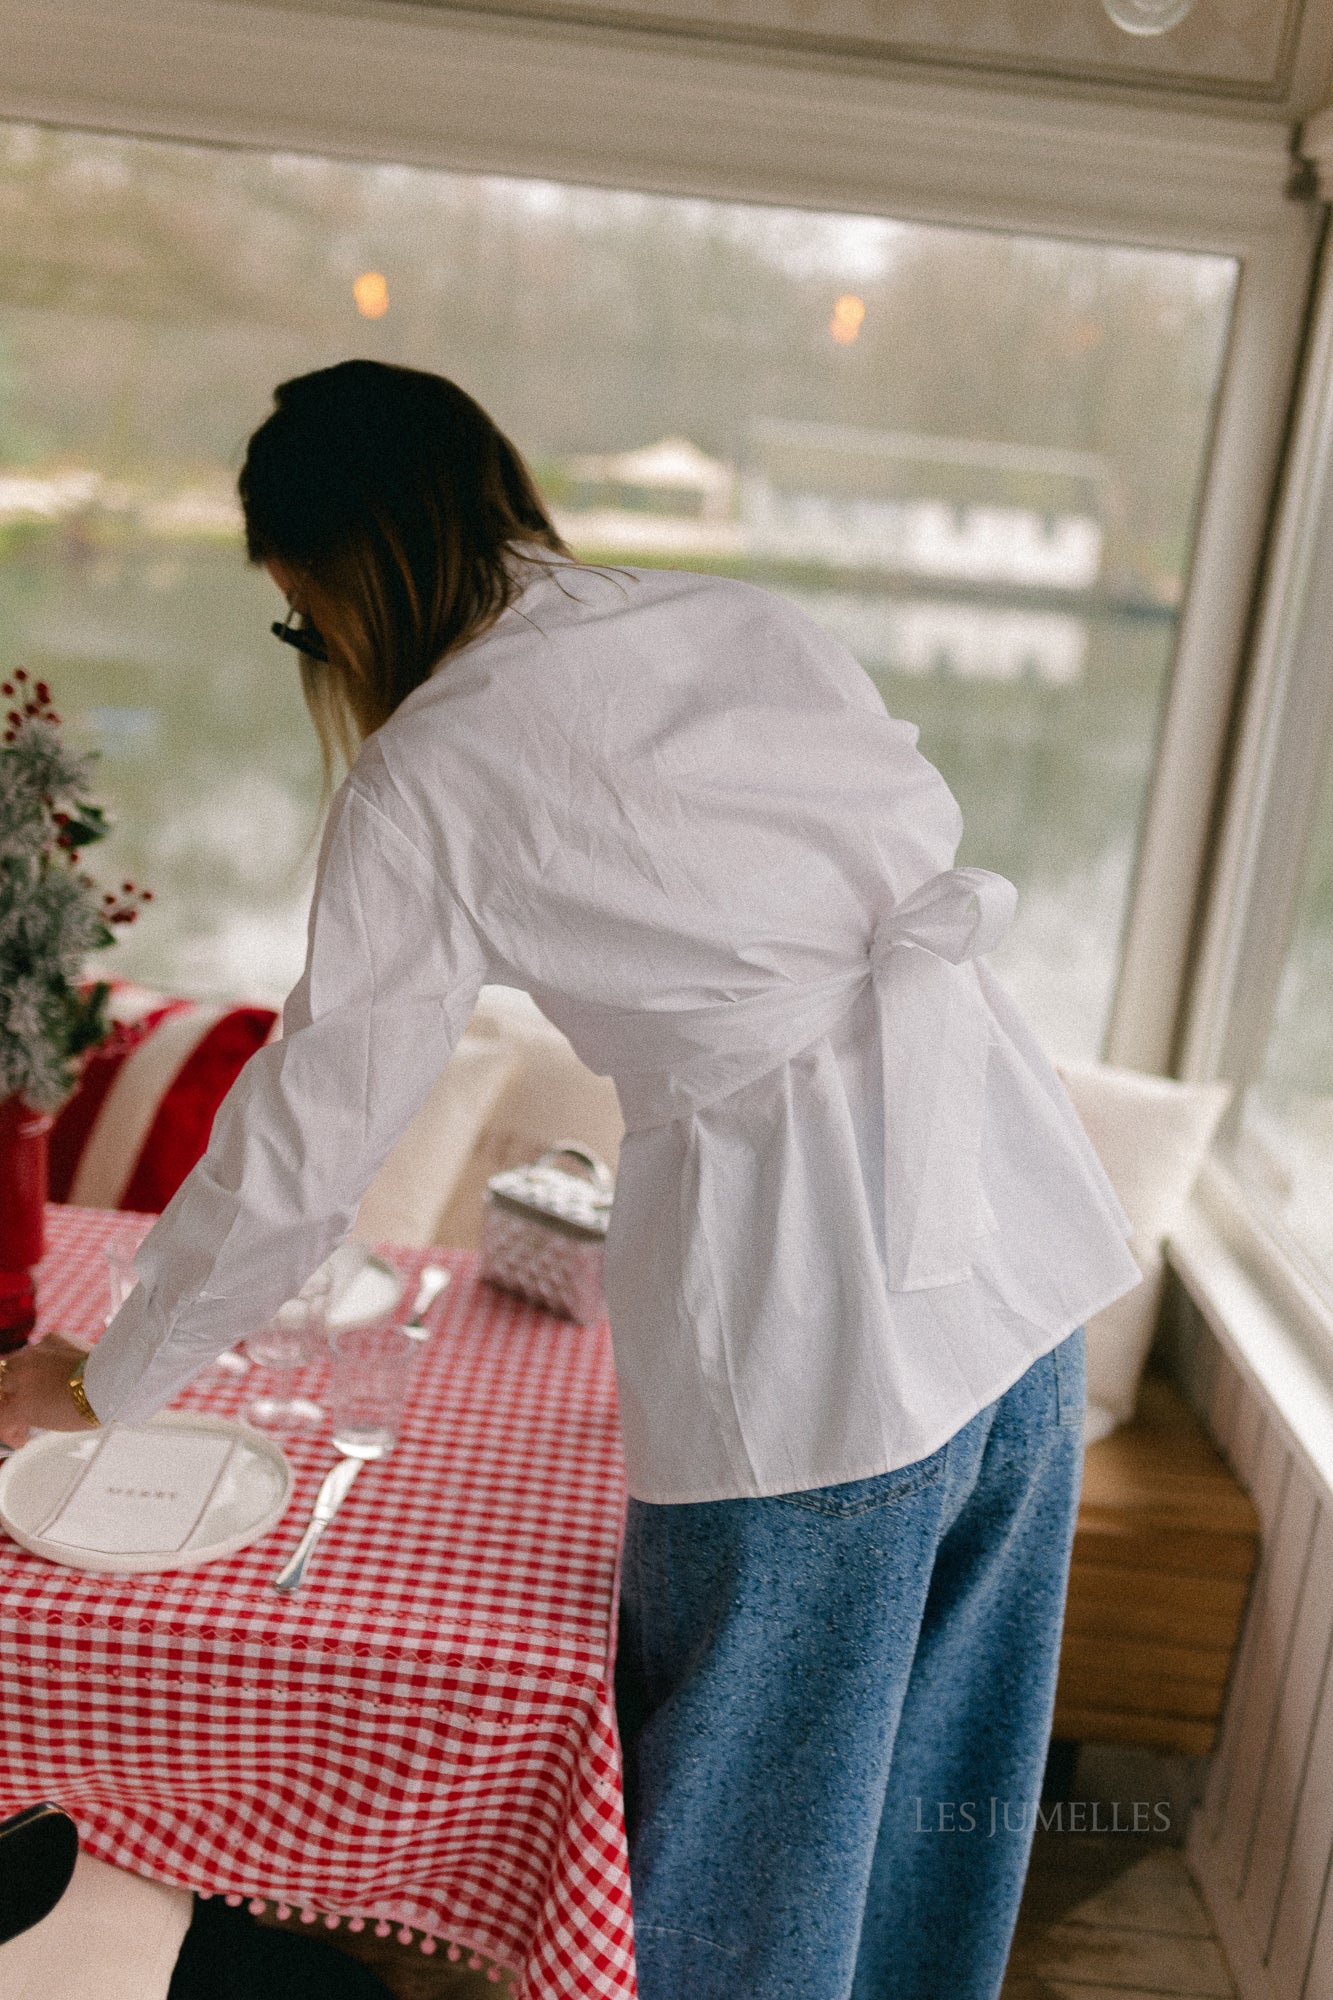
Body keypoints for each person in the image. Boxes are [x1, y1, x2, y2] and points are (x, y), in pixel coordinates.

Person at [0, 360, 1141, 2000]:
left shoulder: (434, 770)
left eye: (298, 624)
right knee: (927, 1844)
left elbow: (307, 1138)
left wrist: (113, 1379)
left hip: (807, 1334)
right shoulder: (737, 621)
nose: (315, 657)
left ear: (340, 573)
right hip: (1010, 1256)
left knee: (739, 1892)